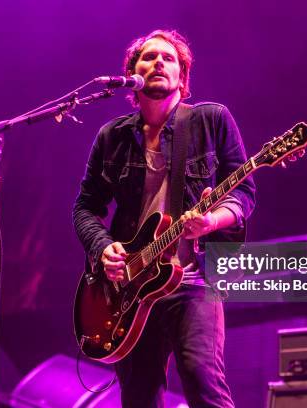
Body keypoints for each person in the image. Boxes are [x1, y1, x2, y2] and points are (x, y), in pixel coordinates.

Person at [73, 29, 255, 408]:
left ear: (182, 77)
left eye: (168, 58)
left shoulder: (211, 120)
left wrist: (212, 220)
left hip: (192, 280)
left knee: (202, 380)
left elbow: (243, 194)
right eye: (149, 57)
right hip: (130, 291)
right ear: (132, 74)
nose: (158, 62)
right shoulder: (112, 137)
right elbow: (85, 208)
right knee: (139, 398)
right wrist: (104, 248)